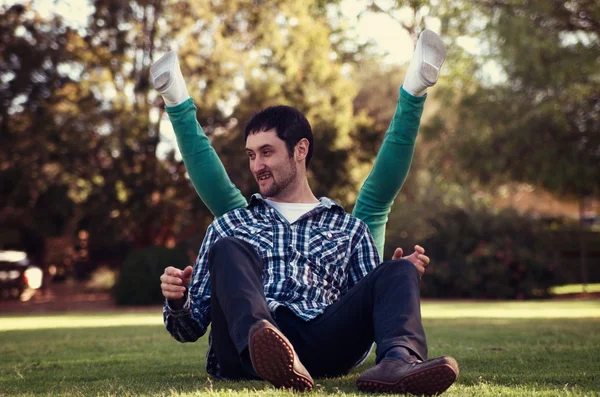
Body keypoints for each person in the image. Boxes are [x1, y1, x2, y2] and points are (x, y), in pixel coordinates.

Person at [156, 30, 459, 395]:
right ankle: (266, 346)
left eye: (266, 152)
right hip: (244, 344)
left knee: (397, 270)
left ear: (300, 150)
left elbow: (366, 315)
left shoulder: (348, 229)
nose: (257, 165)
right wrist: (177, 301)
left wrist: (395, 281)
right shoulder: (230, 225)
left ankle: (399, 362)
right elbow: (189, 328)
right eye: (251, 155)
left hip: (322, 341)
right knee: (230, 248)